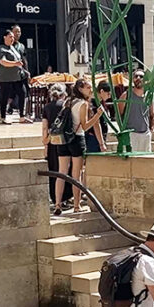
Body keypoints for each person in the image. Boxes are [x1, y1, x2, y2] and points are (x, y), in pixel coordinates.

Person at [52, 78, 106, 215]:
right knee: (77, 174)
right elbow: (85, 125)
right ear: (81, 89)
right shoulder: (83, 104)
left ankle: (57, 204)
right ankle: (76, 205)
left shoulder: (67, 101)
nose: (90, 90)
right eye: (88, 87)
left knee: (62, 172)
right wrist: (98, 115)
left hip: (63, 139)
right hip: (76, 139)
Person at [42, 83, 72, 208]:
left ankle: (55, 198)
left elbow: (45, 127)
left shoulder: (47, 107)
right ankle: (66, 197)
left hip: (52, 141)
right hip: (64, 141)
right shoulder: (66, 107)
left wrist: (45, 142)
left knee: (54, 169)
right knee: (65, 169)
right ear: (64, 94)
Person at [118, 69, 154, 152]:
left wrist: (150, 131)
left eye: (141, 76)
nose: (138, 78)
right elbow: (119, 114)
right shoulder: (126, 95)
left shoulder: (148, 96)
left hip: (145, 134)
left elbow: (152, 115)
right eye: (136, 76)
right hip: (131, 134)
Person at [0, 30, 25, 125]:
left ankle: (22, 116)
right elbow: (2, 62)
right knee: (5, 97)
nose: (12, 38)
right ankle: (3, 116)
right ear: (4, 37)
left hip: (16, 77)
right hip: (5, 77)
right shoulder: (1, 49)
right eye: (10, 36)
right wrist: (15, 63)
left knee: (22, 93)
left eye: (13, 37)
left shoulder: (13, 48)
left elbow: (19, 60)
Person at [10, 24, 33, 123]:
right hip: (10, 74)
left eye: (19, 31)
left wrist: (27, 72)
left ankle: (23, 114)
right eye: (16, 31)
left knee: (24, 93)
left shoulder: (21, 46)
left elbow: (24, 60)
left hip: (21, 74)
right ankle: (2, 110)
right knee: (10, 94)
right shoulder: (7, 46)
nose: (18, 33)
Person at [85, 81, 111, 154]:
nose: (109, 96)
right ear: (102, 91)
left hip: (98, 137)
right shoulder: (93, 103)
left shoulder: (100, 102)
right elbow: (96, 123)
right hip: (94, 138)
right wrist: (101, 144)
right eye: (108, 93)